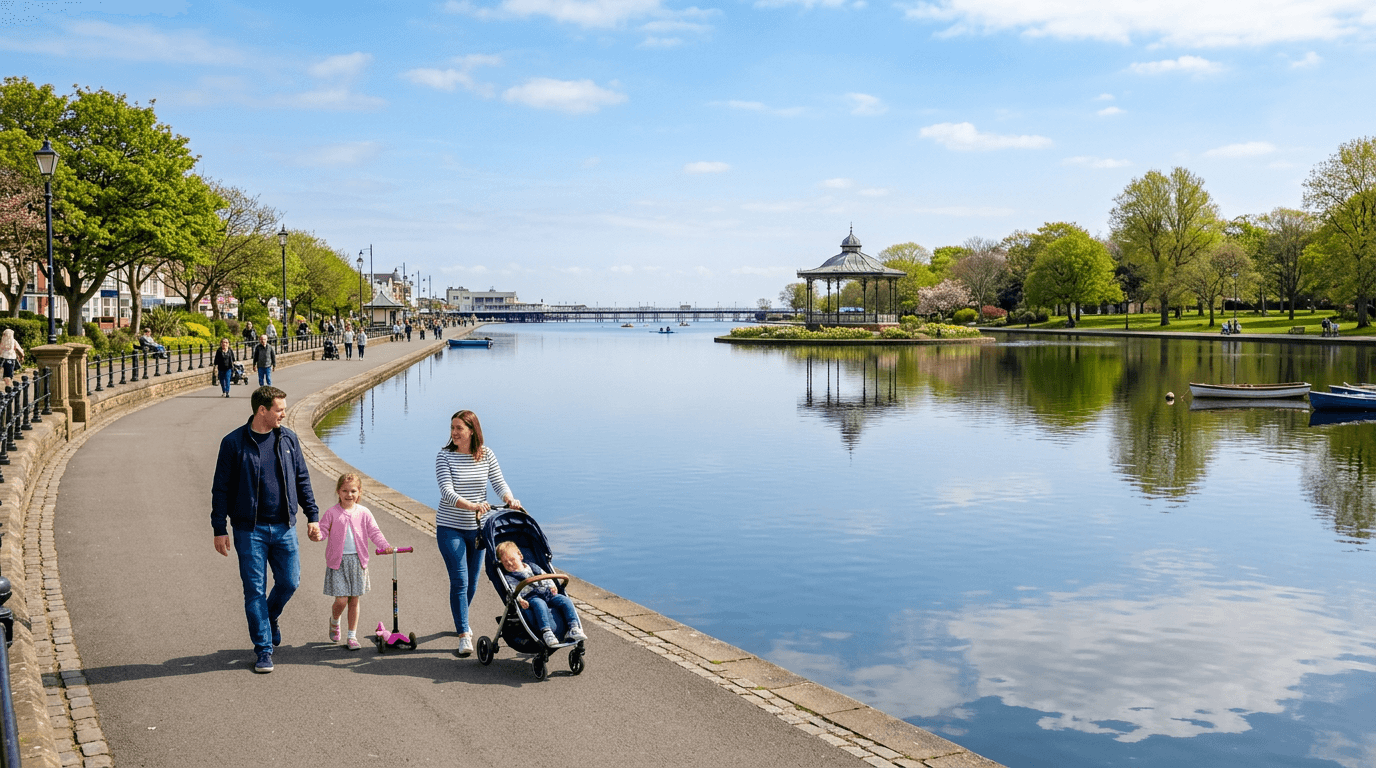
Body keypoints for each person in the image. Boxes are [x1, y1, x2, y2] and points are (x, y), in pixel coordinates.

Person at [211, 385, 323, 673]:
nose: (284, 414)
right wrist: (219, 528)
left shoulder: (288, 439)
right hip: (250, 530)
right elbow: (220, 489)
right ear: (262, 410)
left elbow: (302, 478)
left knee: (290, 582)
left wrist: (312, 515)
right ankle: (263, 649)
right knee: (254, 590)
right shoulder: (234, 443)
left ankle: (270, 616)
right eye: (279, 409)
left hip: (284, 526)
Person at [435, 410, 521, 657]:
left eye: (459, 428)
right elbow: (447, 492)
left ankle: (459, 614)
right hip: (450, 527)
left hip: (478, 530)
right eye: (452, 428)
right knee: (460, 580)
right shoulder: (444, 457)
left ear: (472, 430)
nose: (454, 432)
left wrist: (509, 498)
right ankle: (464, 633)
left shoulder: (486, 454)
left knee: (472, 582)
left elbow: (498, 482)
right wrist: (472, 505)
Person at [320, 472, 393, 650]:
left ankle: (352, 636)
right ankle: (335, 620)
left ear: (359, 492)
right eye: (345, 490)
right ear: (338, 491)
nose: (349, 494)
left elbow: (374, 532)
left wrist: (385, 545)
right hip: (338, 562)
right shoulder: (331, 513)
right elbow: (322, 531)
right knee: (342, 600)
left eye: (353, 491)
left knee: (354, 601)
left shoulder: (364, 512)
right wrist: (316, 535)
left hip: (358, 562)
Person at [495, 541, 586, 647]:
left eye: (512, 559)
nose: (510, 564)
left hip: (547, 593)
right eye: (505, 562)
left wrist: (552, 586)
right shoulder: (510, 577)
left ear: (520, 556)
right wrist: (520, 600)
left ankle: (573, 627)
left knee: (564, 600)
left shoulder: (533, 567)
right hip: (530, 598)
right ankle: (547, 632)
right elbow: (512, 592)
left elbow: (546, 577)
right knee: (540, 604)